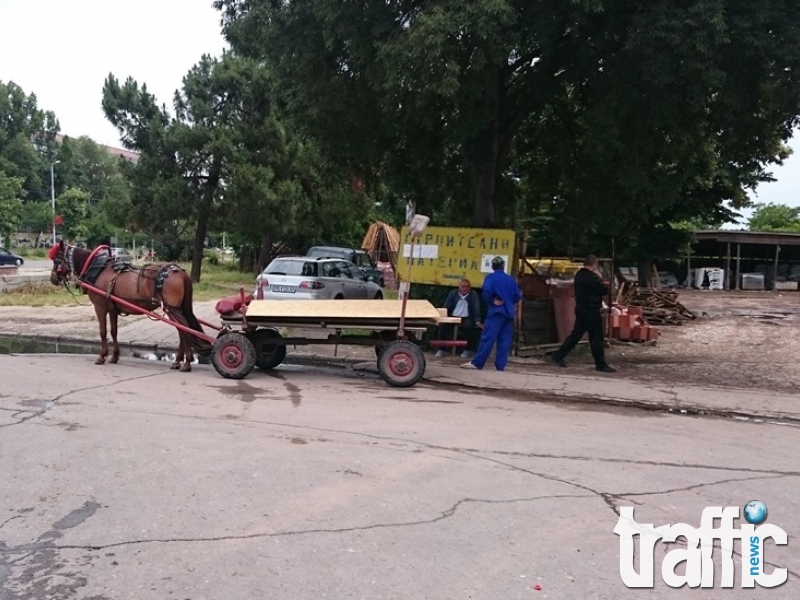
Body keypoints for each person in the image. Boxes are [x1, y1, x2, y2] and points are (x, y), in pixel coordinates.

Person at [551, 254, 616, 373]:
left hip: (581, 307)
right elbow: (603, 290)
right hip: (591, 309)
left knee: (576, 334)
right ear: (594, 264)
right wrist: (601, 279)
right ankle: (600, 364)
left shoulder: (579, 275)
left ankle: (559, 355)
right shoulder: (592, 277)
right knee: (596, 337)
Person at [461, 256, 522, 371]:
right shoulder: (510, 279)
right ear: (503, 266)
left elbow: (487, 292)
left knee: (488, 337)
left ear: (492, 266)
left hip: (496, 311)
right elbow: (518, 296)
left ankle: (478, 363)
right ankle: (501, 365)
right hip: (509, 312)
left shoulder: (491, 277)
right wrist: (508, 302)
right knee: (505, 339)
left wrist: (493, 300)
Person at [435, 278, 482, 359]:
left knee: (469, 326)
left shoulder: (473, 295)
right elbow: (446, 306)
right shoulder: (453, 293)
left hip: (466, 317)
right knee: (442, 325)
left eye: (467, 287)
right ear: (459, 287)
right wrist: (440, 318)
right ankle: (442, 349)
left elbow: (476, 308)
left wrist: (478, 321)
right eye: (463, 286)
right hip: (453, 316)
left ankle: (467, 349)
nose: (465, 289)